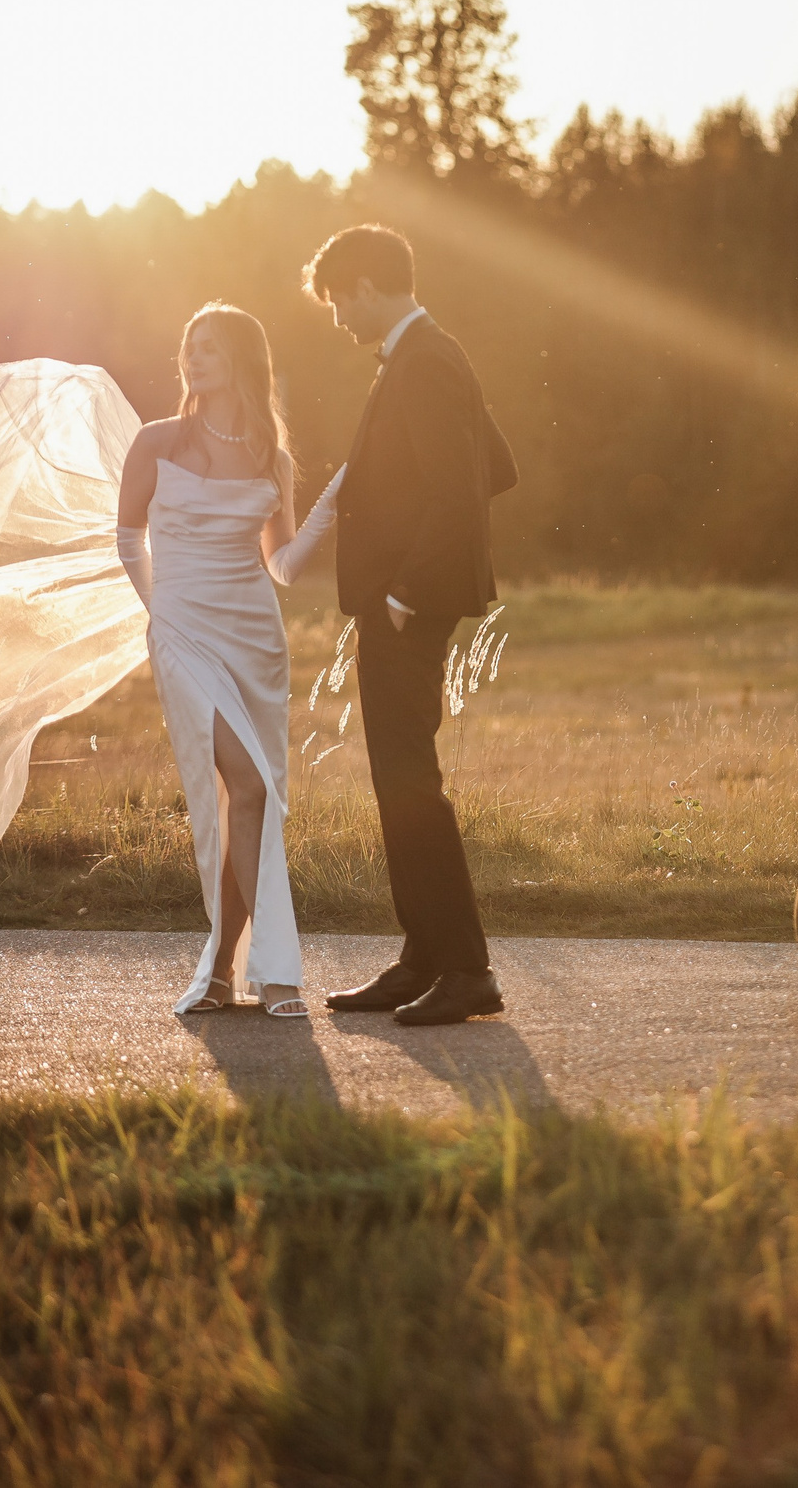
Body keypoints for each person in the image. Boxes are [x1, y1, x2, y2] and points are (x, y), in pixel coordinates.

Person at [303, 225, 519, 1025]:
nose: (335, 317)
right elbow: (495, 465)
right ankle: (424, 954)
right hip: (402, 601)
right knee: (399, 778)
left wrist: (404, 592)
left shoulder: (425, 360)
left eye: (336, 300)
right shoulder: (432, 354)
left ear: (364, 285)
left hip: (406, 609)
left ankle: (466, 967)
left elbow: (463, 489)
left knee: (411, 783)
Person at [115, 303, 346, 1017]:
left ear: (243, 358)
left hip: (255, 638)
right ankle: (277, 974)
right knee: (247, 784)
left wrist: (329, 510)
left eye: (210, 347)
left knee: (252, 799)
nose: (194, 357)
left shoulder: (268, 453)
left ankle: (219, 972)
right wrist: (162, 617)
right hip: (181, 629)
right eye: (190, 346)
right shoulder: (154, 442)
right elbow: (128, 541)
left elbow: (281, 567)